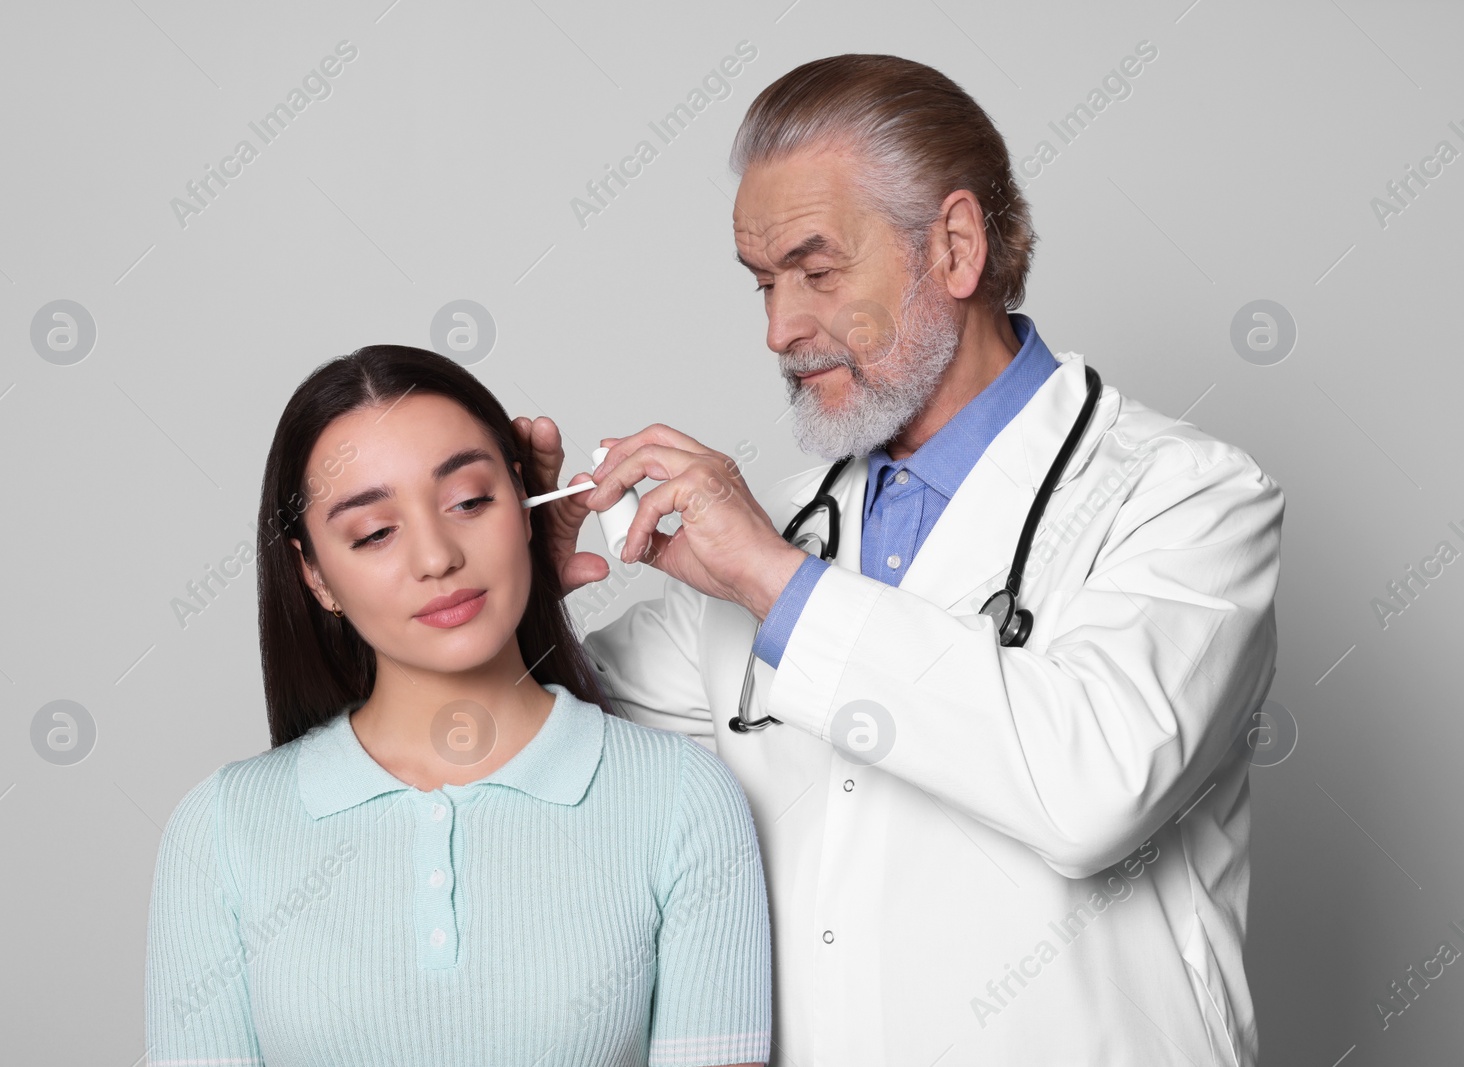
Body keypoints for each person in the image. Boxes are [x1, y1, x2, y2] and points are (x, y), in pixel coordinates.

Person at [516, 55, 1284, 1066]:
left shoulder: (1187, 498)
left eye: (815, 271)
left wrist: (771, 576)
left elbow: (1094, 785)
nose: (778, 329)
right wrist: (510, 581)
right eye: (762, 283)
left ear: (956, 247)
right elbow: (534, 748)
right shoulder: (780, 532)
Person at [144, 345, 771, 1067]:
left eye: (470, 501)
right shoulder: (219, 833)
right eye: (375, 532)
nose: (437, 555)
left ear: (523, 503)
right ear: (314, 575)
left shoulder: (683, 800)